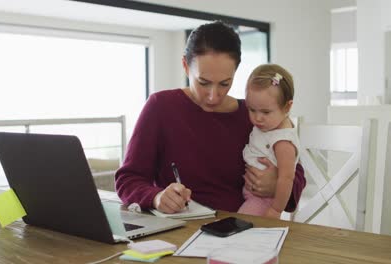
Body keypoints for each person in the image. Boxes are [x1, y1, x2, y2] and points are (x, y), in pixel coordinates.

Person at [115, 21, 306, 214]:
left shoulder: (254, 114)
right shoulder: (161, 107)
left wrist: (277, 184)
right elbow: (128, 179)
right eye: (203, 83)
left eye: (224, 83)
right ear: (185, 66)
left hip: (238, 228)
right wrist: (156, 197)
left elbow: (296, 172)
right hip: (177, 229)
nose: (213, 96)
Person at [238, 64, 300, 219]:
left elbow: (287, 178)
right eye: (252, 109)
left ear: (287, 107)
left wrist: (276, 210)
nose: (257, 118)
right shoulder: (268, 125)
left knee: (241, 224)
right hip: (252, 194)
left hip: (263, 200)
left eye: (266, 112)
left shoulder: (282, 141)